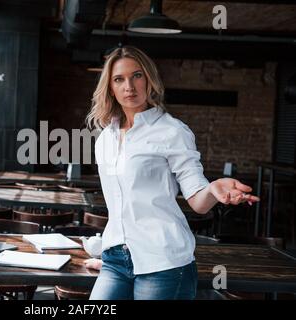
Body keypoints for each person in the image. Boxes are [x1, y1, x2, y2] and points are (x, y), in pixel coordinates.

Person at [84, 46, 259, 300]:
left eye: (137, 76)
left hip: (162, 260)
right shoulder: (105, 139)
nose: (129, 86)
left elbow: (198, 201)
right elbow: (122, 207)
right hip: (116, 260)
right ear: (110, 87)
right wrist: (114, 253)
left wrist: (211, 189)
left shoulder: (172, 131)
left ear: (149, 79)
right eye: (119, 79)